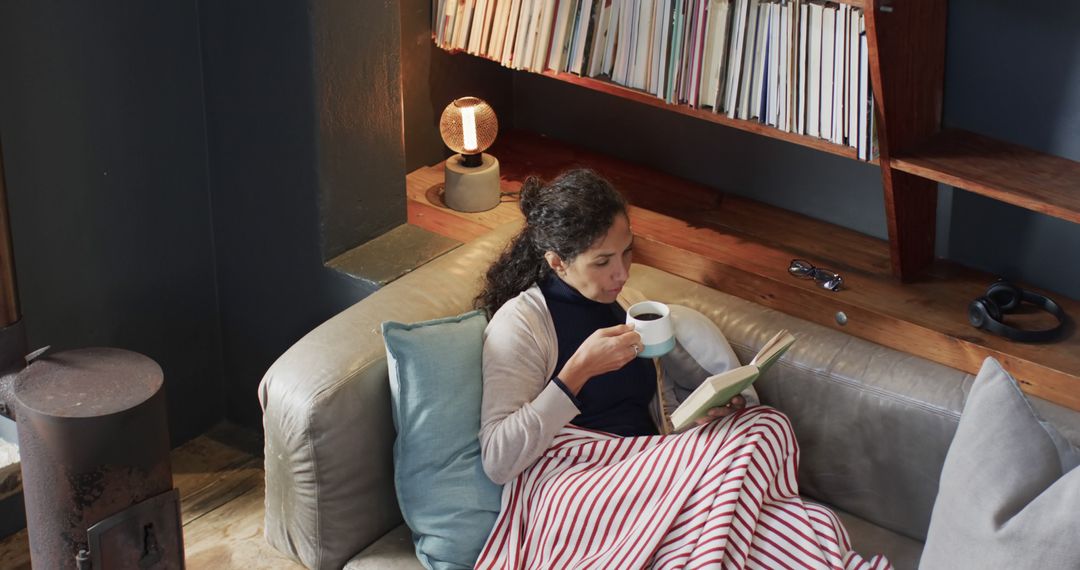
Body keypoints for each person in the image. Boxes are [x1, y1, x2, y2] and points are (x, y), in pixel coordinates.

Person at [472, 169, 890, 569]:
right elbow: (499, 460)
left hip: (648, 474)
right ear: (558, 262)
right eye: (602, 262)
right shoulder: (522, 323)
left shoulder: (630, 307)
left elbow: (657, 421)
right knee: (763, 432)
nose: (621, 272)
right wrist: (576, 373)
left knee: (768, 436)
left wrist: (701, 421)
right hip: (574, 488)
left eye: (627, 251)